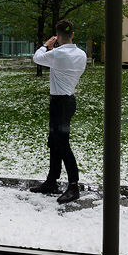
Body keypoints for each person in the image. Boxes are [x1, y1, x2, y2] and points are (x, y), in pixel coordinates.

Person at [30, 19, 87, 204]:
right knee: (54, 142)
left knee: (62, 144)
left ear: (57, 36)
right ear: (72, 34)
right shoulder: (81, 54)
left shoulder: (57, 54)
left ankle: (73, 186)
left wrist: (46, 45)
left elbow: (36, 58)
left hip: (59, 103)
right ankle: (52, 181)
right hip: (69, 101)